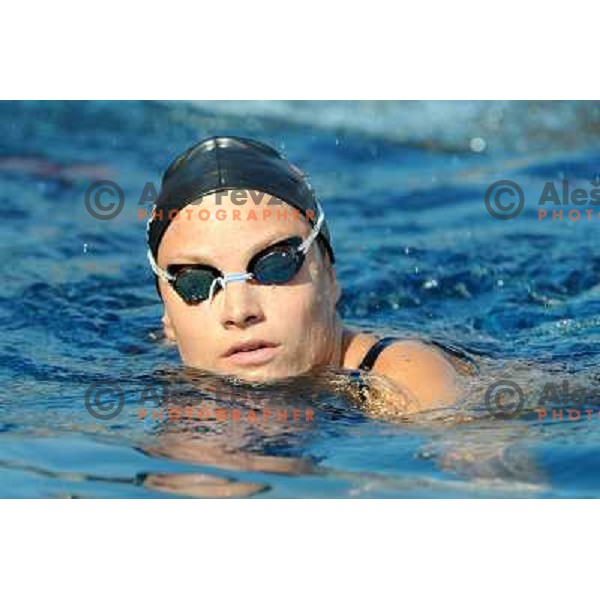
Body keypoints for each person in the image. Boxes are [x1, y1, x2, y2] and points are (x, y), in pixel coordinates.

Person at [146, 136, 474, 415]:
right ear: (168, 320)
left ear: (330, 277)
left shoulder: (404, 376)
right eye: (195, 283)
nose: (239, 311)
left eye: (275, 265)